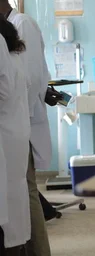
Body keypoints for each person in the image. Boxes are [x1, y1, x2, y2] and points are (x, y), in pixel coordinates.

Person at [0, 0, 52, 256]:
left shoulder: (22, 24)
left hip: (21, 124)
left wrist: (26, 122)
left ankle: (38, 251)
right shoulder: (11, 31)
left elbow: (30, 80)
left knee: (26, 193)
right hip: (19, 123)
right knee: (20, 194)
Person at [0, 18, 32, 255]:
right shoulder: (15, 57)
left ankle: (14, 246)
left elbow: (3, 92)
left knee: (9, 195)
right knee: (16, 192)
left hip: (7, 135)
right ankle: (18, 245)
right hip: (16, 132)